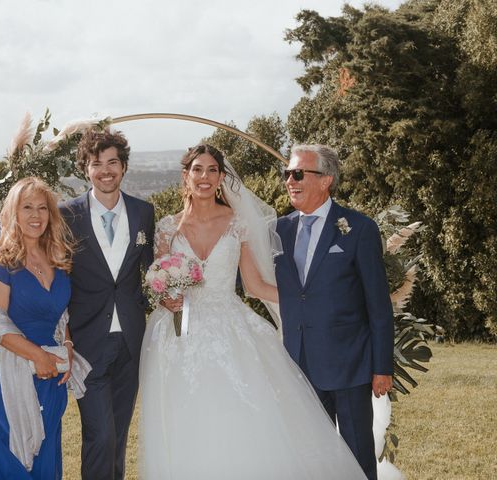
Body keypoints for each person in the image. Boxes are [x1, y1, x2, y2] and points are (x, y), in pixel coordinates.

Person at [139, 143, 366, 479]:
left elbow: (256, 286)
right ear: (185, 176)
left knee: (238, 417)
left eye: (212, 170)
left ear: (220, 177)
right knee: (185, 420)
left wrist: (311, 302)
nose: (205, 177)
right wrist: (166, 299)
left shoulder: (237, 223)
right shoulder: (167, 229)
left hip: (230, 331)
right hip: (178, 338)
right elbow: (160, 284)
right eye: (197, 170)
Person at [274, 144, 395, 480]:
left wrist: (382, 366)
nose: (290, 181)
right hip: (299, 365)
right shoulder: (279, 231)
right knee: (311, 460)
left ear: (325, 179)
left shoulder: (359, 228)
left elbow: (378, 304)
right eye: (287, 174)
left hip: (350, 367)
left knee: (356, 459)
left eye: (298, 173)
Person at [59, 128, 155, 480]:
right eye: (96, 163)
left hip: (131, 342)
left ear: (124, 166)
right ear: (86, 169)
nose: (105, 170)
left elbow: (150, 271)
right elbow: (58, 280)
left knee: (118, 436)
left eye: (112, 162)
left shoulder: (145, 213)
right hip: (87, 344)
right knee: (100, 435)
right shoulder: (66, 215)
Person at [0, 177, 76, 479]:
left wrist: (67, 347)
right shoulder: (0, 261)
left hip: (49, 375)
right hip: (6, 374)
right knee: (10, 461)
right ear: (12, 214)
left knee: (45, 460)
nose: (35, 215)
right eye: (27, 207)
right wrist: (37, 356)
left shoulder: (57, 259)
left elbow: (61, 315)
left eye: (42, 208)